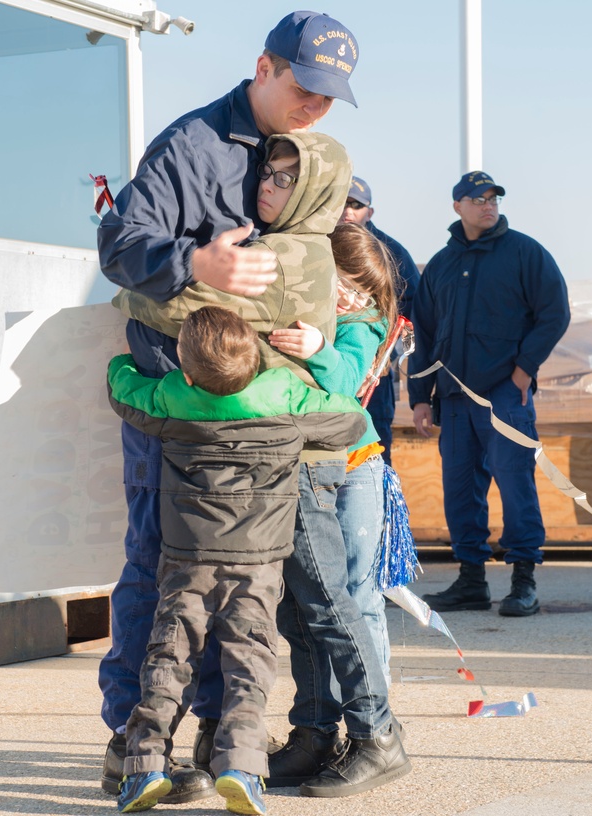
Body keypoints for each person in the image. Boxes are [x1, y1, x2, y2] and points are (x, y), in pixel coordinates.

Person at [95, 10, 360, 804]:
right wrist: (192, 259)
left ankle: (220, 738)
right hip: (182, 410)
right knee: (158, 567)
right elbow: (118, 246)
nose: (315, 105)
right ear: (265, 67)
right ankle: (131, 743)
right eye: (305, 87)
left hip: (267, 425)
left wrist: (322, 335)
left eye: (330, 96)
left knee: (246, 582)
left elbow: (328, 270)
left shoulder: (310, 158)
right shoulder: (192, 143)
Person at [113, 137, 410, 798]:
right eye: (267, 172)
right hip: (280, 459)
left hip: (300, 459)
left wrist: (147, 283)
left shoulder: (294, 255)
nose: (269, 185)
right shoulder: (290, 243)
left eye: (286, 176)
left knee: (330, 602)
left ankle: (377, 732)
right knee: (299, 614)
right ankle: (314, 732)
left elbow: (187, 310)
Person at [108, 306, 367, 815]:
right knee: (250, 666)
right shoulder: (283, 394)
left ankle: (143, 769)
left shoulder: (172, 397)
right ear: (254, 360)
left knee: (168, 662)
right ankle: (242, 769)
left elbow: (124, 394)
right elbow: (350, 420)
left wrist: (121, 363)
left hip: (187, 564)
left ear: (185, 369)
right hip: (258, 567)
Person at [407, 171, 570, 617]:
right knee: (459, 488)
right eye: (476, 199)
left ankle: (523, 580)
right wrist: (420, 394)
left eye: (492, 197)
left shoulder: (524, 252)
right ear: (457, 206)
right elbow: (422, 333)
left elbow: (554, 312)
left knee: (514, 482)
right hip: (454, 397)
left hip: (503, 392)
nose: (487, 205)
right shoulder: (439, 265)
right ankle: (471, 581)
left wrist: (523, 370)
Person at [268, 222, 399, 693]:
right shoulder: (302, 309)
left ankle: (376, 714)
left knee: (358, 592)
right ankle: (322, 716)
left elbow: (344, 384)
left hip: (355, 466)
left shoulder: (362, 326)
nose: (352, 297)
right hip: (306, 467)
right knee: (309, 602)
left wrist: (320, 349)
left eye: (364, 290)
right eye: (345, 282)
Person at [339, 177, 420, 464]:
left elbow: (416, 304)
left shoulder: (390, 251)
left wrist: (386, 338)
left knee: (375, 452)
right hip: (330, 365)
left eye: (356, 204)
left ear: (369, 212)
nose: (348, 210)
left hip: (376, 370)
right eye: (343, 201)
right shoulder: (320, 242)